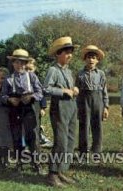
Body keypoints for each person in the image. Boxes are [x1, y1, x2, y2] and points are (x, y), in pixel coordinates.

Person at [1, 49, 44, 174]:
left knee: (33, 135)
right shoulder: (8, 78)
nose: (20, 65)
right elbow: (3, 95)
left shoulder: (31, 76)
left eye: (23, 63)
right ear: (13, 63)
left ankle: (37, 162)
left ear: (26, 64)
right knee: (16, 134)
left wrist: (31, 97)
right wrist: (9, 99)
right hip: (15, 108)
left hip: (29, 107)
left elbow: (40, 92)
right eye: (17, 62)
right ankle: (19, 161)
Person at [44, 36, 79, 187]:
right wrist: (63, 90)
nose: (70, 55)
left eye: (71, 52)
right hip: (59, 107)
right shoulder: (53, 70)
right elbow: (46, 88)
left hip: (71, 106)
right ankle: (52, 173)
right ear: (58, 54)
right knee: (61, 141)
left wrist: (74, 89)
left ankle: (61, 171)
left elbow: (70, 89)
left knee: (70, 140)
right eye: (66, 52)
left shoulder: (69, 71)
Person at [76, 45, 109, 157]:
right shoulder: (80, 73)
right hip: (84, 100)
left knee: (97, 125)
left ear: (97, 60)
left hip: (97, 99)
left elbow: (104, 90)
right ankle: (83, 151)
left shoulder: (100, 74)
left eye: (94, 57)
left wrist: (106, 106)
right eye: (89, 57)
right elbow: (76, 90)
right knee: (84, 126)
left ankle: (97, 151)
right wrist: (77, 106)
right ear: (85, 59)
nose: (91, 60)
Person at [25, 59, 53, 148]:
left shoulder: (37, 80)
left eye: (30, 69)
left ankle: (39, 138)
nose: (28, 71)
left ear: (35, 68)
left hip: (36, 105)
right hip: (25, 106)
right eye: (26, 69)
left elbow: (42, 94)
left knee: (36, 124)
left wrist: (43, 107)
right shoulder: (22, 80)